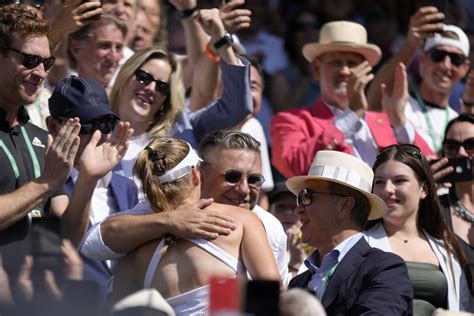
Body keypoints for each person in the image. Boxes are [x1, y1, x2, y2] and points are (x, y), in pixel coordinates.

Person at [81, 130, 289, 284]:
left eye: (254, 179)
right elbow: (92, 243)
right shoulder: (162, 210)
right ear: (201, 174)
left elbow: (274, 298)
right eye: (232, 177)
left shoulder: (269, 226)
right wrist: (170, 221)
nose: (244, 189)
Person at [109, 137, 280, 314]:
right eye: (233, 177)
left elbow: (116, 309)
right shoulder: (241, 220)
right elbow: (273, 297)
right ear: (196, 176)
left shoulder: (134, 250)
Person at [271, 20, 433, 179]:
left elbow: (432, 171)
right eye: (335, 63)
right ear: (316, 69)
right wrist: (351, 114)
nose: (345, 71)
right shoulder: (290, 121)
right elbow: (294, 166)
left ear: (366, 70)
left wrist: (399, 121)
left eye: (352, 63)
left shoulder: (384, 122)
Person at [109, 8, 252, 184]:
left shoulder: (184, 128)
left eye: (162, 86)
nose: (151, 88)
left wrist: (221, 40)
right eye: (144, 78)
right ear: (126, 75)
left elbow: (236, 108)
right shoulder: (95, 129)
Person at [287, 150, 413, 315]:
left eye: (307, 196)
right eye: (300, 197)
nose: (298, 209)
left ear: (344, 206)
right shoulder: (298, 283)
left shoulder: (385, 270)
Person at [46, 75, 135, 302]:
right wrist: (88, 177)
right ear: (54, 126)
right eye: (85, 125)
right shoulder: (44, 186)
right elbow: (58, 253)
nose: (99, 134)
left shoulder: (126, 188)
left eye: (105, 123)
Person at [0, 4, 79, 246]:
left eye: (47, 62)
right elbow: (47, 181)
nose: (41, 72)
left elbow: (70, 234)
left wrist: (89, 178)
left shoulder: (40, 137)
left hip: (36, 283)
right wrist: (45, 182)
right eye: (31, 59)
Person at [366, 143, 473, 313]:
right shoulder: (358, 243)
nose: (387, 189)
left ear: (424, 189)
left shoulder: (447, 249)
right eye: (379, 182)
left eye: (399, 180)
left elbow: (462, 307)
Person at [367, 7, 470, 154]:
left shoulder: (460, 124)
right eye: (437, 55)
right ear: (421, 60)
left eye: (456, 59)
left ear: (465, 68)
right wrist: (410, 45)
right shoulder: (398, 105)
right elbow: (375, 101)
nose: (446, 66)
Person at [437, 114, 474, 290]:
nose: (461, 153)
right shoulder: (433, 206)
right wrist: (423, 187)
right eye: (452, 146)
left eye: (471, 145)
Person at [67, 13, 127, 89]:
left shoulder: (125, 99)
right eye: (105, 46)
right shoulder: (58, 97)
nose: (114, 56)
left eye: (118, 48)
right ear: (76, 50)